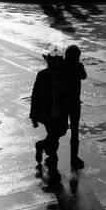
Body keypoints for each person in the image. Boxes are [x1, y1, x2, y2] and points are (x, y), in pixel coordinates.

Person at [30, 54, 70, 182]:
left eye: (57, 60)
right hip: (49, 112)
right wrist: (34, 116)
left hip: (61, 111)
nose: (55, 63)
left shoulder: (63, 74)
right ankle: (53, 160)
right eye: (53, 60)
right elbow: (35, 95)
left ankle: (41, 145)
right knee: (54, 136)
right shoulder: (43, 75)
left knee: (59, 133)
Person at [61, 43, 87, 170]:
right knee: (75, 131)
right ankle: (74, 157)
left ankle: (48, 149)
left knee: (59, 130)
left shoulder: (62, 65)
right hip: (74, 103)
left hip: (63, 102)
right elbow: (84, 76)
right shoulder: (78, 65)